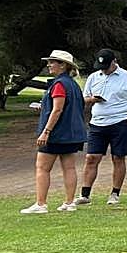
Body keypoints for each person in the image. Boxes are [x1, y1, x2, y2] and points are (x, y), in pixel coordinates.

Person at [20, 50, 86, 214]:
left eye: (52, 62)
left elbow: (57, 110)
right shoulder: (73, 85)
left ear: (63, 65)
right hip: (72, 134)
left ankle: (41, 204)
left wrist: (46, 132)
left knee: (42, 167)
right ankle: (69, 202)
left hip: (56, 134)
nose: (48, 65)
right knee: (69, 167)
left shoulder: (58, 85)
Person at [77, 48, 127, 206]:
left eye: (106, 66)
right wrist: (93, 99)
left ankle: (115, 193)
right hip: (97, 123)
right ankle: (85, 194)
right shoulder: (94, 77)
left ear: (114, 62)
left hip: (120, 122)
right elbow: (85, 98)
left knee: (118, 157)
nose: (104, 70)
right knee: (91, 158)